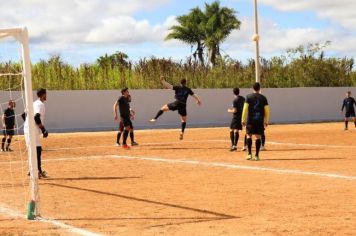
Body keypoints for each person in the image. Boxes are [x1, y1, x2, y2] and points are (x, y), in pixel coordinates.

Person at [150, 75, 202, 140]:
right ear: (185, 83)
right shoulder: (188, 89)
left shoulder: (178, 87)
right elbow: (194, 95)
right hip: (183, 105)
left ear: (180, 83)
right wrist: (198, 100)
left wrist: (163, 81)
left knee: (163, 108)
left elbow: (169, 86)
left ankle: (155, 118)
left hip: (177, 103)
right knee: (183, 119)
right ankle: (182, 132)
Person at [24, 88, 49, 178]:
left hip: (28, 129)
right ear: (43, 95)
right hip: (33, 130)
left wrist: (28, 124)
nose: (46, 96)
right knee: (37, 150)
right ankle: (37, 171)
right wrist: (43, 129)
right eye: (46, 94)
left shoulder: (33, 103)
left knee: (34, 150)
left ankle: (33, 170)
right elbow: (36, 117)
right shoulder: (40, 104)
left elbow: (24, 115)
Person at [242, 82, 270, 161]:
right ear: (259, 88)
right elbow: (267, 110)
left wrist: (243, 120)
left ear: (252, 88)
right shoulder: (263, 98)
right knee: (258, 136)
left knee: (248, 135)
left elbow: (245, 109)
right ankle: (257, 155)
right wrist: (266, 121)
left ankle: (249, 154)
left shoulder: (248, 97)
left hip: (250, 120)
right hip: (259, 120)